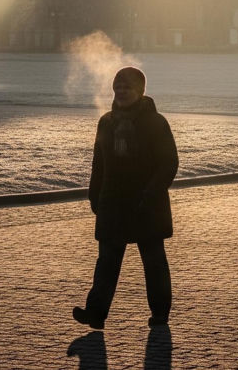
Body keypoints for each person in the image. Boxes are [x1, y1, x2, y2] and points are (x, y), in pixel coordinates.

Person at [73, 66, 178, 330]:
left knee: (154, 264)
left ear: (140, 91)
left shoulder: (156, 123)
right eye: (118, 87)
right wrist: (94, 195)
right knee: (106, 264)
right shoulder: (107, 122)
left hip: (146, 205)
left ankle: (160, 314)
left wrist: (150, 194)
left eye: (127, 87)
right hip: (113, 204)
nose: (121, 92)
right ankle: (96, 314)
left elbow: (169, 164)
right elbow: (99, 163)